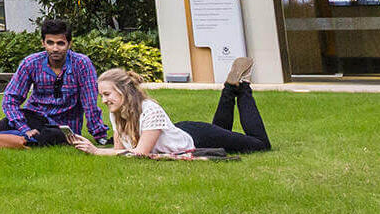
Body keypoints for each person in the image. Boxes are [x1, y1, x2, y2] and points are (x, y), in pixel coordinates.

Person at [0, 19, 111, 149]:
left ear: (69, 44)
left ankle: (3, 140)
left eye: (60, 43)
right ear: (43, 43)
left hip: (63, 126)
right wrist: (24, 128)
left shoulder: (82, 64)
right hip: (33, 116)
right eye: (50, 42)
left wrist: (99, 136)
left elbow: (89, 103)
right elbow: (10, 99)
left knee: (49, 138)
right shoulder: (31, 63)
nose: (55, 48)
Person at [71, 62, 272, 157]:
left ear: (124, 91)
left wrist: (96, 151)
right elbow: (120, 152)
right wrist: (93, 148)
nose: (104, 100)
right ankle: (230, 88)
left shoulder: (149, 109)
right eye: (102, 95)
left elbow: (139, 154)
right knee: (225, 133)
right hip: (178, 133)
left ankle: (242, 86)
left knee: (260, 145)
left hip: (198, 137)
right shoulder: (117, 112)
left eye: (107, 94)